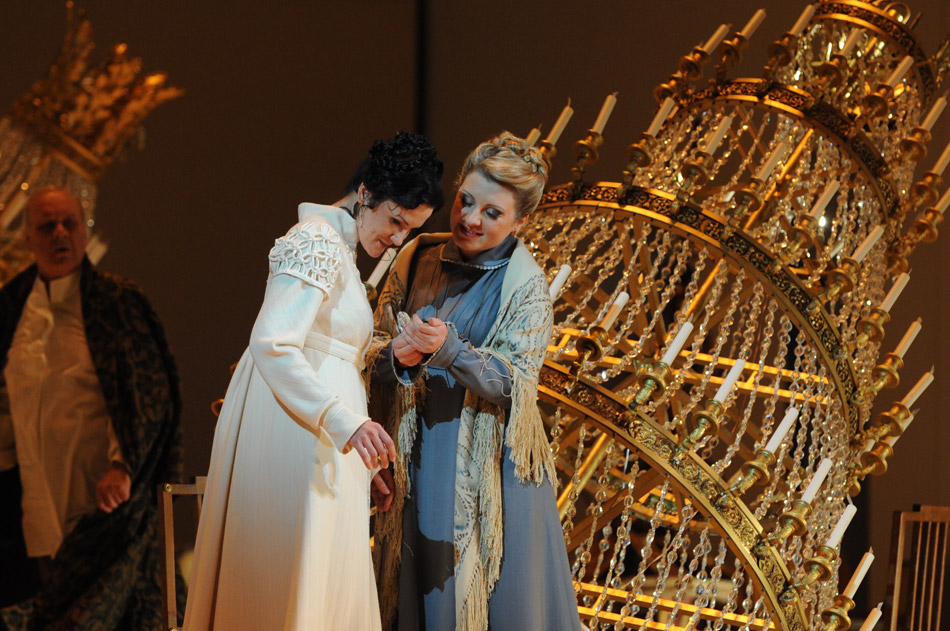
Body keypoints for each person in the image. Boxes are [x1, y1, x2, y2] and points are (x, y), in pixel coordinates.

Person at [184, 131, 444, 631]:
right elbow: (273, 343)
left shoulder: (339, 248)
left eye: (409, 230)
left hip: (321, 435)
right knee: (290, 577)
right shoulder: (318, 239)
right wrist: (346, 424)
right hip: (297, 431)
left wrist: (359, 458)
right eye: (396, 221)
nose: (397, 240)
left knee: (318, 579)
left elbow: (332, 356)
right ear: (366, 193)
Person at [369, 133, 581, 631]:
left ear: (521, 221)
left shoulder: (526, 287)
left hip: (484, 472)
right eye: (466, 200)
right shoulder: (416, 256)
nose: (470, 219)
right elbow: (371, 345)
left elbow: (517, 385)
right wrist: (396, 355)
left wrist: (452, 351)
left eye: (492, 213)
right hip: (413, 454)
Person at [0, 186, 183, 629]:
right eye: (48, 226)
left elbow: (150, 393)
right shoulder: (11, 309)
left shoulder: (117, 303)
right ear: (29, 239)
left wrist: (124, 466)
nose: (60, 234)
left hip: (105, 505)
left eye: (70, 224)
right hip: (36, 499)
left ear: (85, 233)